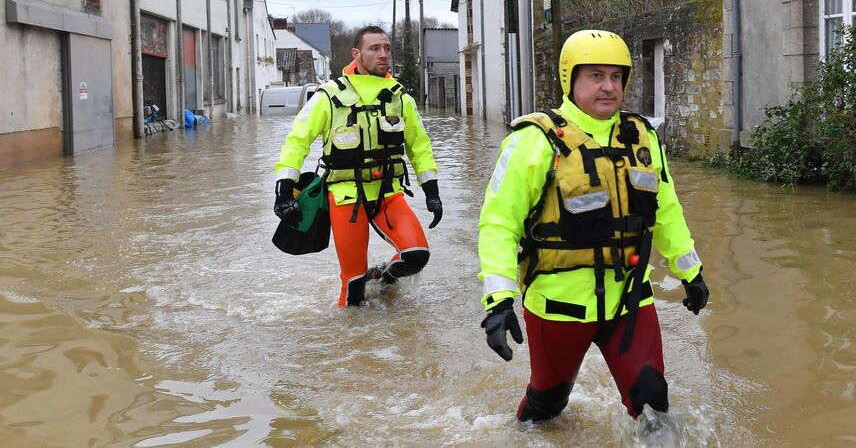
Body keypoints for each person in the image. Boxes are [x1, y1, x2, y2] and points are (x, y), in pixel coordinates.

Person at [476, 29, 710, 421]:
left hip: (631, 298)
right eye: (596, 76)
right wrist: (498, 300)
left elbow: (665, 209)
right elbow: (498, 224)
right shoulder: (533, 141)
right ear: (570, 79)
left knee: (654, 404)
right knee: (547, 407)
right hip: (559, 306)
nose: (609, 86)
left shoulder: (642, 137)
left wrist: (692, 272)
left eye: (617, 76)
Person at [274, 25, 442, 307]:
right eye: (374, 48)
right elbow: (297, 142)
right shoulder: (328, 95)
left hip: (388, 194)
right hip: (345, 197)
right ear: (356, 53)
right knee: (353, 286)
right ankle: (351, 341)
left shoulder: (401, 97)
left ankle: (383, 281)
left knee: (416, 254)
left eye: (387, 48)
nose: (383, 54)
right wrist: (284, 189)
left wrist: (432, 190)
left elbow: (420, 147)